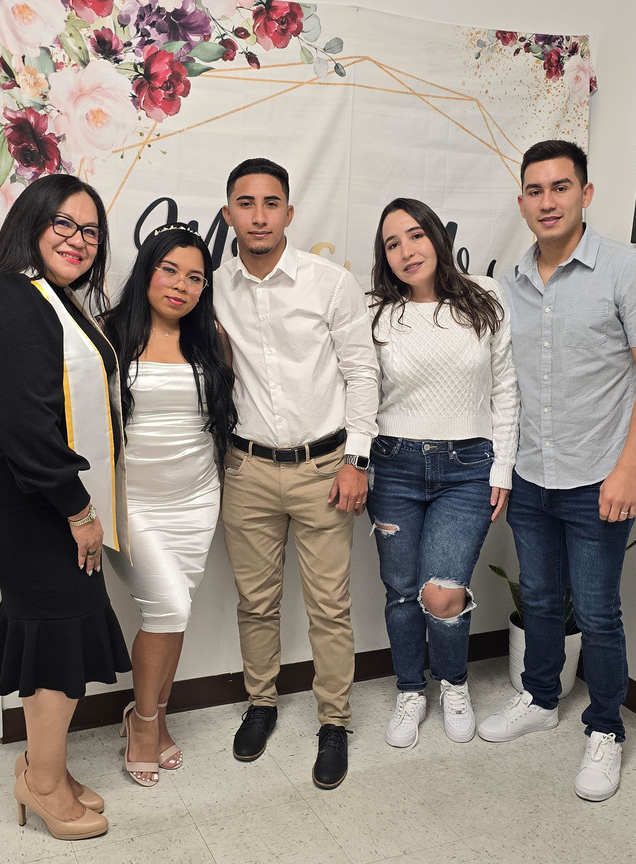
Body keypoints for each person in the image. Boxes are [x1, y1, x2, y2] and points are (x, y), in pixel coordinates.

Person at [477, 140, 636, 802]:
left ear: (585, 194)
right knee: (538, 599)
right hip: (533, 476)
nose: (548, 201)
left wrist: (630, 468)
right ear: (522, 203)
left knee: (596, 611)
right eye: (535, 191)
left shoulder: (625, 268)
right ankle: (538, 697)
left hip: (599, 477)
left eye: (560, 188)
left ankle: (606, 729)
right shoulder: (511, 280)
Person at [0, 174, 132, 840]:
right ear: (30, 222)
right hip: (19, 501)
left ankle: (41, 764)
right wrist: (79, 509)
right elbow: (29, 423)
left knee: (58, 626)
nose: (79, 240)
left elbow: (25, 399)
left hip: (37, 496)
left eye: (90, 231)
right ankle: (44, 782)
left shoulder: (52, 302)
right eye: (64, 223)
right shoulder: (9, 295)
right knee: (61, 625)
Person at [214, 157, 379, 789]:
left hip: (324, 469)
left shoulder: (328, 282)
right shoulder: (214, 286)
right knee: (255, 603)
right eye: (245, 202)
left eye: (271, 202)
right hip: (247, 469)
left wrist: (357, 459)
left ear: (289, 212)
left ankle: (333, 720)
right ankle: (261, 705)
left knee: (328, 607)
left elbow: (363, 372)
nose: (259, 215)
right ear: (228, 212)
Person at [367, 198, 519, 749]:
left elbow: (505, 388)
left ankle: (454, 683)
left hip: (467, 469)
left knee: (442, 593)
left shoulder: (486, 297)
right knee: (403, 591)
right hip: (395, 465)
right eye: (392, 244)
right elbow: (362, 394)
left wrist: (502, 465)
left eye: (414, 236)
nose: (407, 251)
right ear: (384, 257)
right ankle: (411, 689)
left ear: (436, 237)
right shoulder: (377, 314)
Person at [101, 224, 236, 786]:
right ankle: (143, 722)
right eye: (170, 270)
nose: (181, 285)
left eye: (196, 277)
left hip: (197, 497)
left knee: (173, 608)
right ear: (147, 270)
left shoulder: (211, 340)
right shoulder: (107, 334)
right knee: (169, 609)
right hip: (131, 505)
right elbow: (49, 394)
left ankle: (150, 716)